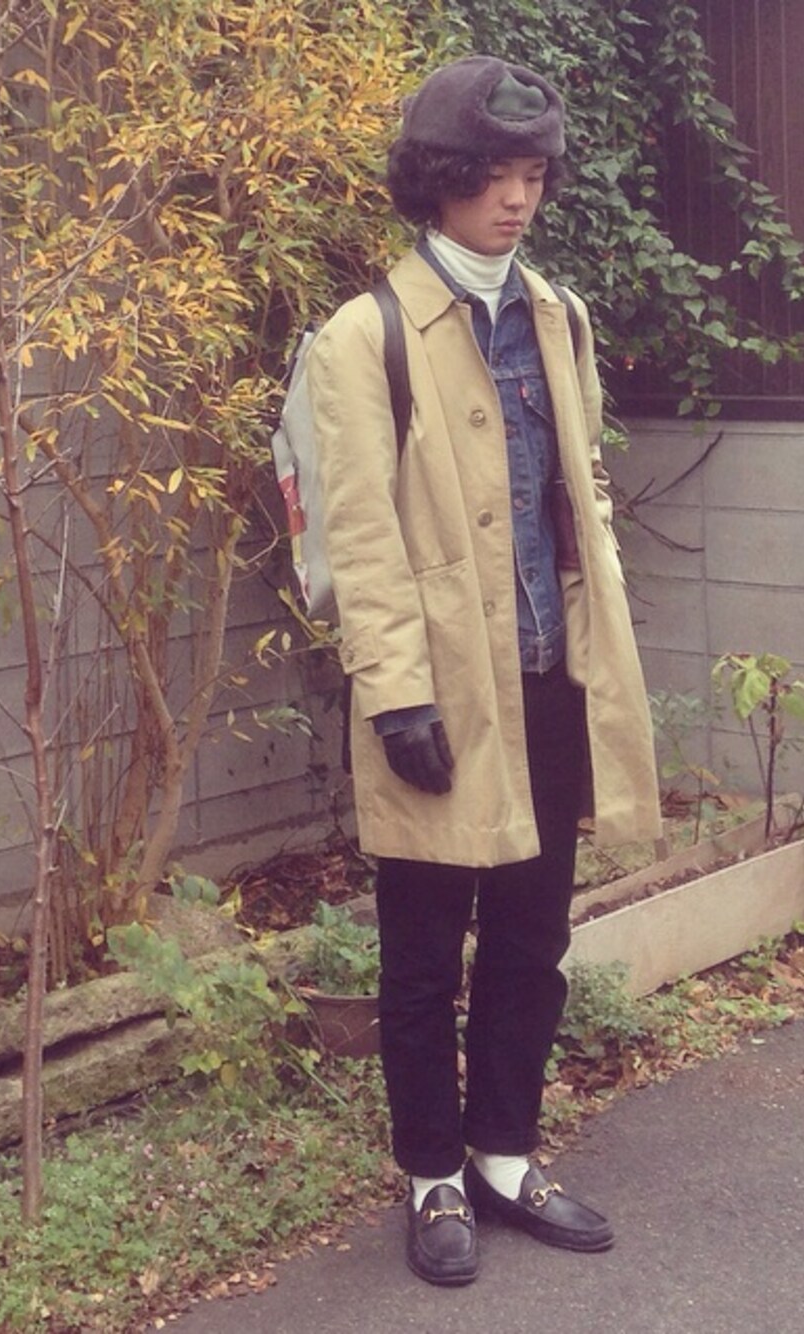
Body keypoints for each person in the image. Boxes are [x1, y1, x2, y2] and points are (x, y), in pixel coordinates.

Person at [307, 54, 663, 1287]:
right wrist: (394, 690)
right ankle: (431, 1175)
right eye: (491, 176)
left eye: (531, 176)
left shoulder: (556, 314)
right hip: (438, 694)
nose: (516, 200)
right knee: (420, 957)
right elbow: (359, 533)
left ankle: (505, 1153)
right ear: (437, 180)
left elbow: (578, 489)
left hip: (550, 677)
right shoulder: (364, 337)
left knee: (530, 939)